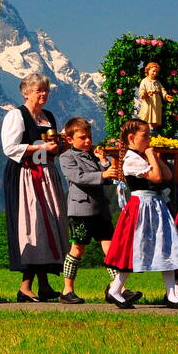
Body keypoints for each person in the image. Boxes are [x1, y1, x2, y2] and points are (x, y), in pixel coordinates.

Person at [105, 118, 178, 308]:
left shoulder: (142, 156)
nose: (149, 139)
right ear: (131, 137)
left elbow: (168, 176)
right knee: (134, 249)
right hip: (141, 206)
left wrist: (155, 156)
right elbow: (158, 177)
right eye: (145, 136)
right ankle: (115, 288)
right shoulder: (130, 159)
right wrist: (151, 155)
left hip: (156, 205)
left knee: (167, 245)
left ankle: (171, 294)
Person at [1, 73, 66, 301]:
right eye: (38, 90)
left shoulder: (48, 117)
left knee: (50, 224)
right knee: (32, 227)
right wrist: (41, 148)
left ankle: (45, 285)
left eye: (45, 90)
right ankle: (25, 286)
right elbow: (10, 148)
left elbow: (52, 150)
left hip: (47, 175)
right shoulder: (16, 116)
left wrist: (58, 147)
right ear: (26, 92)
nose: (43, 94)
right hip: (26, 175)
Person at [57, 117, 124, 304]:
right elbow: (78, 177)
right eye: (82, 137)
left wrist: (104, 162)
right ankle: (67, 289)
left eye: (89, 137)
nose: (87, 141)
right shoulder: (66, 157)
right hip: (80, 210)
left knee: (110, 249)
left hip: (100, 208)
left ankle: (118, 287)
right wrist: (103, 173)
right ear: (70, 139)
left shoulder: (94, 154)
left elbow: (106, 177)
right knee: (77, 249)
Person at [136, 62, 166, 131]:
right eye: (153, 71)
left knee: (155, 115)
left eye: (156, 72)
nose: (155, 73)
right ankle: (148, 126)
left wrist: (166, 95)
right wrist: (144, 94)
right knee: (147, 113)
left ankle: (152, 126)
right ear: (148, 70)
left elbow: (162, 90)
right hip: (148, 100)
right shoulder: (144, 81)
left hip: (156, 101)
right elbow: (141, 90)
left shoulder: (157, 82)